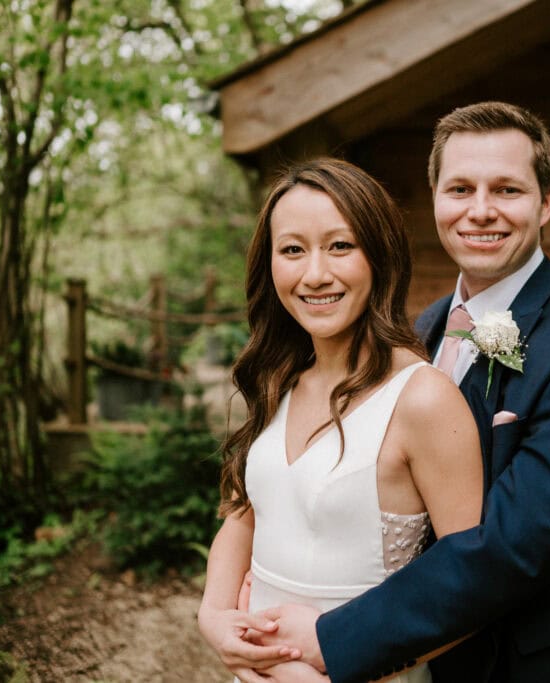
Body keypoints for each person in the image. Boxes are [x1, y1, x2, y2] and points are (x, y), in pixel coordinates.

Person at [236, 101, 550, 682]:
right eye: (459, 189)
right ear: (435, 199)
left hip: (544, 663)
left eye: (507, 190)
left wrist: (332, 635)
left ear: (547, 200)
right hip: (429, 657)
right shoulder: (420, 331)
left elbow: (516, 546)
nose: (480, 211)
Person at [197, 158, 484, 682]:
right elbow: (244, 511)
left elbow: (471, 590)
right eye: (292, 249)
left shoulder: (423, 399)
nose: (315, 273)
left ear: (379, 256)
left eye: (339, 245)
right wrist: (214, 617)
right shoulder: (277, 377)